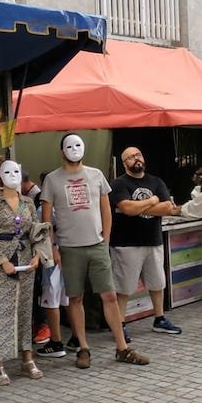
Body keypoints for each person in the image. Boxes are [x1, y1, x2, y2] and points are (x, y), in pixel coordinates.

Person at [40, 133, 149, 369]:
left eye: (78, 144)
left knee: (109, 295)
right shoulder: (52, 179)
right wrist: (54, 247)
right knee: (75, 298)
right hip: (69, 247)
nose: (74, 149)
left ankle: (122, 347)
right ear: (62, 151)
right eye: (69, 146)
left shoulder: (96, 175)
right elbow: (47, 220)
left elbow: (106, 209)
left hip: (96, 244)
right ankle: (83, 347)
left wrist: (105, 238)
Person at [0, 160, 46, 384]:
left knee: (24, 309)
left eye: (16, 171)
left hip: (25, 260)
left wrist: (38, 255)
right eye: (7, 172)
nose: (12, 175)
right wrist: (2, 260)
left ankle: (27, 358)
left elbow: (37, 232)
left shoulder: (29, 203)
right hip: (1, 264)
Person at [110, 146, 182, 337]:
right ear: (124, 163)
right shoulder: (119, 184)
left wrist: (139, 207)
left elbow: (168, 207)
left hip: (153, 241)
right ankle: (120, 324)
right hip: (126, 244)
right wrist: (152, 201)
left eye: (138, 155)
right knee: (124, 287)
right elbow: (127, 208)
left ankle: (160, 319)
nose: (136, 159)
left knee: (157, 283)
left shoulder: (156, 181)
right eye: (131, 158)